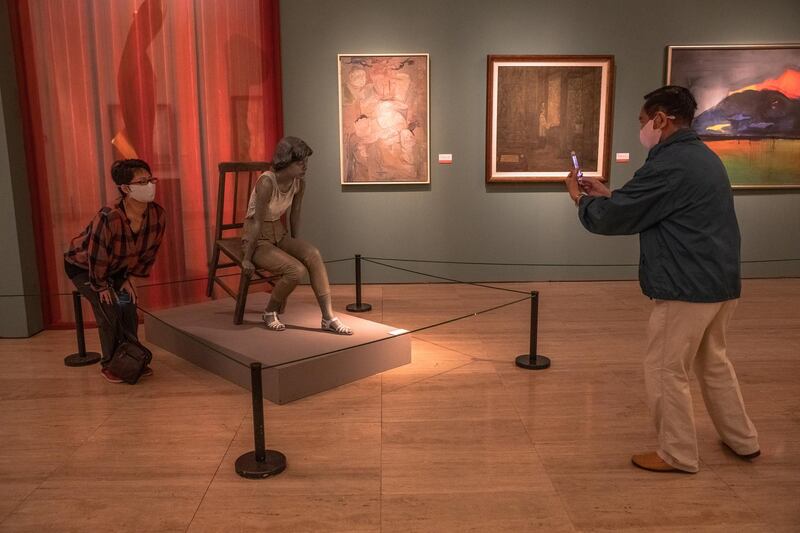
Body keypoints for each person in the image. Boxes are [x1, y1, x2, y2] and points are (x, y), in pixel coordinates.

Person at [564, 85, 759, 473]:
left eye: (643, 121)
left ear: (661, 119)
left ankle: (678, 453)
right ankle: (743, 439)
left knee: (666, 368)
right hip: (719, 280)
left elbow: (614, 217)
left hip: (686, 284)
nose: (642, 130)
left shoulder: (669, 163)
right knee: (713, 362)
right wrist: (610, 194)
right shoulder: (702, 157)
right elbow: (652, 205)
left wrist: (582, 199)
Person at [64, 159, 166, 383]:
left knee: (127, 306)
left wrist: (128, 278)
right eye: (142, 181)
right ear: (125, 188)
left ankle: (131, 357)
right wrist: (101, 285)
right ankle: (110, 363)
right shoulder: (109, 216)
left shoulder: (157, 215)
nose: (149, 185)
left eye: (151, 179)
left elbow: (148, 252)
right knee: (108, 309)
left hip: (118, 269)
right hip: (84, 268)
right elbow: (96, 255)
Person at [241, 136, 353, 335]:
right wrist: (247, 259)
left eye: (306, 162)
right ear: (285, 161)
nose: (305, 166)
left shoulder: (299, 183)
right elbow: (257, 222)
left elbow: (295, 213)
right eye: (300, 162)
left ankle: (328, 317)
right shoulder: (267, 182)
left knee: (313, 254)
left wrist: (294, 244)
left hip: (279, 233)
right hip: (257, 238)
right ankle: (269, 312)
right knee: (296, 271)